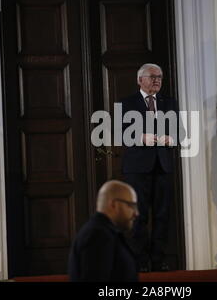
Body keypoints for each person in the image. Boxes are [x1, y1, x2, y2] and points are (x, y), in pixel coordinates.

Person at [120, 63, 182, 272]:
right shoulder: (127, 103)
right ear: (140, 80)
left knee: (163, 215)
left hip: (162, 166)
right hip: (137, 168)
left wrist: (170, 138)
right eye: (152, 76)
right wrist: (140, 137)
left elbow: (180, 133)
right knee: (139, 215)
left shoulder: (169, 102)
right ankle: (140, 261)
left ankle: (158, 259)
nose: (156, 80)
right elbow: (120, 132)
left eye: (160, 77)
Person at [68, 180, 139, 282]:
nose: (136, 213)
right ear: (114, 204)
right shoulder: (98, 236)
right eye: (131, 206)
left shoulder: (105, 232)